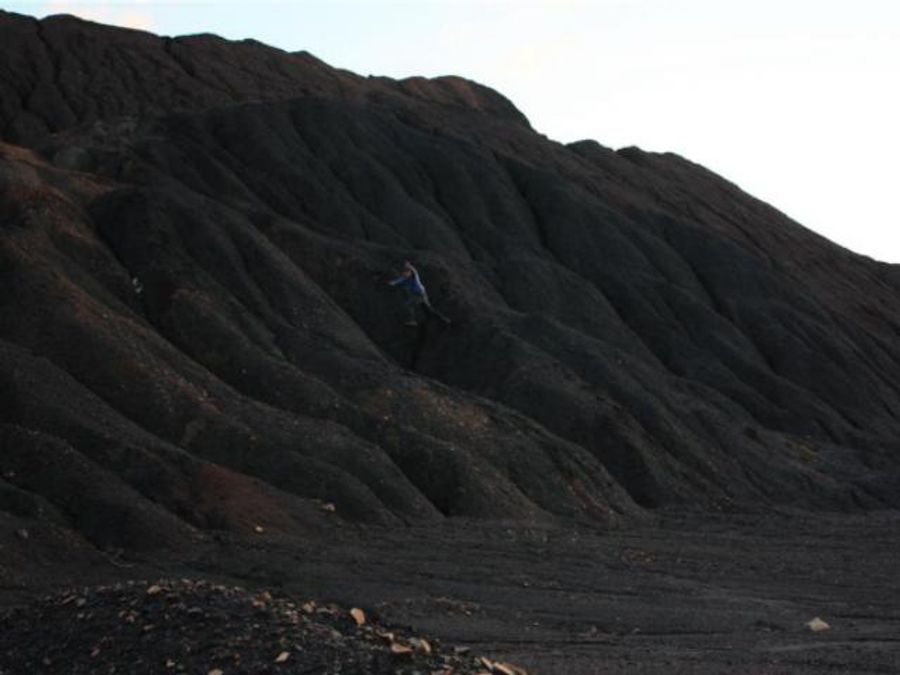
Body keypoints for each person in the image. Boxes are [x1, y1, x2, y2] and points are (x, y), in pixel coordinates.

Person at [387, 260, 451, 327]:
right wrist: (390, 283)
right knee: (427, 308)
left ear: (410, 272)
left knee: (409, 305)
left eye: (407, 273)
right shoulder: (404, 279)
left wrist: (409, 266)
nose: (405, 274)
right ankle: (443, 320)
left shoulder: (414, 276)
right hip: (419, 294)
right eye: (404, 273)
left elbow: (414, 271)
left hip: (420, 294)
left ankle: (413, 320)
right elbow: (396, 281)